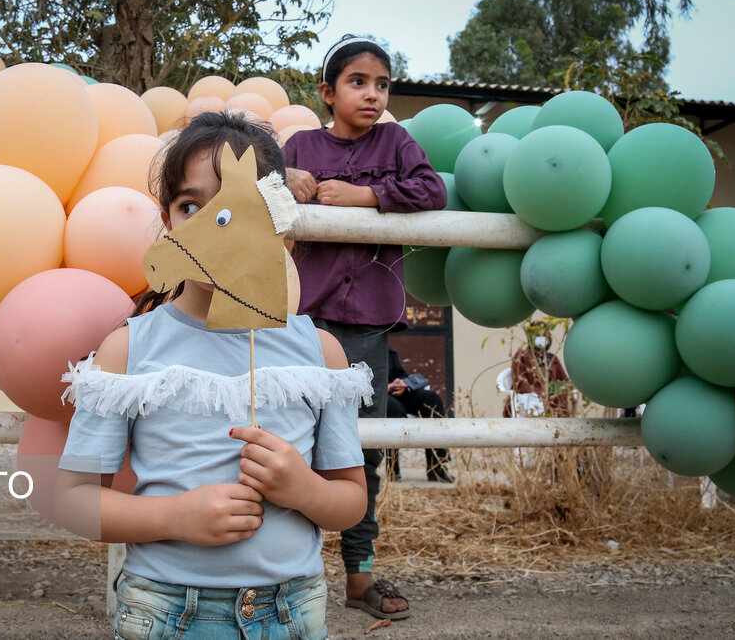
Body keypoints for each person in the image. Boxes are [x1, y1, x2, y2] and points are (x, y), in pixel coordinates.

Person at [54, 111, 370, 639]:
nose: (206, 222)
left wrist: (302, 488)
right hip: (164, 610)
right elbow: (74, 498)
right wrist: (176, 516)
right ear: (168, 218)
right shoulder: (126, 351)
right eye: (190, 206)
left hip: (292, 609)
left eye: (232, 206)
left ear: (276, 217)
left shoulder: (320, 353)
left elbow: (350, 501)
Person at [283, 34, 448, 620]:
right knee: (291, 442)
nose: (372, 95)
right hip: (303, 318)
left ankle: (359, 576)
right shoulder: (299, 144)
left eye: (382, 85)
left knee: (361, 448)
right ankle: (287, 572)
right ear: (328, 93)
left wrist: (363, 196)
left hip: (369, 324)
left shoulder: (397, 143)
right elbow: (255, 196)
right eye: (358, 82)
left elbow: (433, 190)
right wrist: (290, 183)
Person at [385, 347, 453, 483]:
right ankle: (393, 468)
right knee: (393, 409)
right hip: (378, 396)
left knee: (432, 400)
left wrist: (403, 383)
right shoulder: (357, 349)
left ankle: (436, 466)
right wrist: (384, 388)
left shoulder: (388, 352)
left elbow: (401, 374)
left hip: (399, 394)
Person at [502, 321, 573, 418]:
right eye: (537, 335)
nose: (541, 338)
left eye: (544, 335)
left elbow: (564, 381)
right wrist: (540, 393)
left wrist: (561, 391)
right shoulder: (522, 356)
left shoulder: (552, 359)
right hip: (532, 400)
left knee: (564, 400)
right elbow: (520, 382)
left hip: (553, 401)